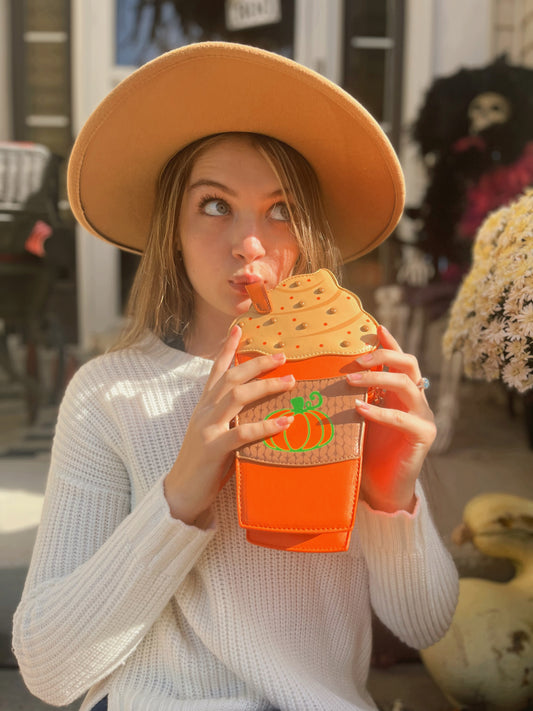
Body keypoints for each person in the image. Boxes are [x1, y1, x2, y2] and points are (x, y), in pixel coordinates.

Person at [13, 42, 458, 711]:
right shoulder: (109, 394)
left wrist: (391, 497)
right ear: (173, 231)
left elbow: (425, 623)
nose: (250, 242)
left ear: (309, 233)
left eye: (280, 210)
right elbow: (48, 669)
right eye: (214, 205)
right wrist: (181, 492)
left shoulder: (348, 379)